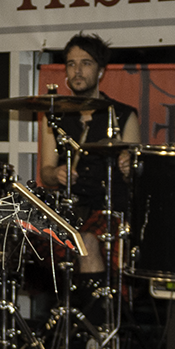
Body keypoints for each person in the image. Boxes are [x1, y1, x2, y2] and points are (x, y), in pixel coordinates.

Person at [38, 32, 141, 323]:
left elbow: (138, 174)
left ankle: (97, 330)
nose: (77, 71)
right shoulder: (54, 116)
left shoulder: (123, 116)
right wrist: (55, 173)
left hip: (112, 212)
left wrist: (128, 167)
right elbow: (45, 173)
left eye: (85, 63)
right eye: (71, 64)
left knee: (87, 241)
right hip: (71, 211)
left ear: (101, 70)